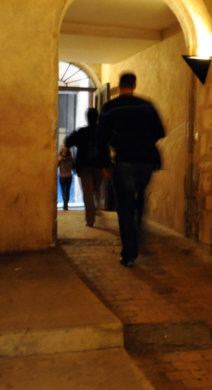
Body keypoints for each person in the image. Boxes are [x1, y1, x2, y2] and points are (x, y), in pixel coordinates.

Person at [96, 72, 165, 267]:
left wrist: (105, 163)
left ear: (119, 86)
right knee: (139, 198)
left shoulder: (110, 107)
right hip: (146, 162)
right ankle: (137, 234)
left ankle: (130, 252)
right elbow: (160, 132)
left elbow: (100, 138)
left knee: (125, 206)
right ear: (135, 85)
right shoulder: (147, 105)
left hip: (124, 161)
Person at [65, 107, 104, 227]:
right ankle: (96, 205)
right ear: (97, 117)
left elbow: (67, 142)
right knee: (95, 189)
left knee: (87, 193)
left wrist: (74, 133)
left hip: (84, 166)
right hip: (99, 165)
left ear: (87, 118)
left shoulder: (82, 132)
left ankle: (90, 219)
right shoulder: (102, 131)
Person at [57, 145, 73, 211]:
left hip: (62, 176)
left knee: (63, 191)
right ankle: (66, 204)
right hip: (69, 176)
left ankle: (65, 204)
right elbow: (72, 167)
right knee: (67, 191)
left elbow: (56, 165)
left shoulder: (60, 158)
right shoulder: (70, 159)